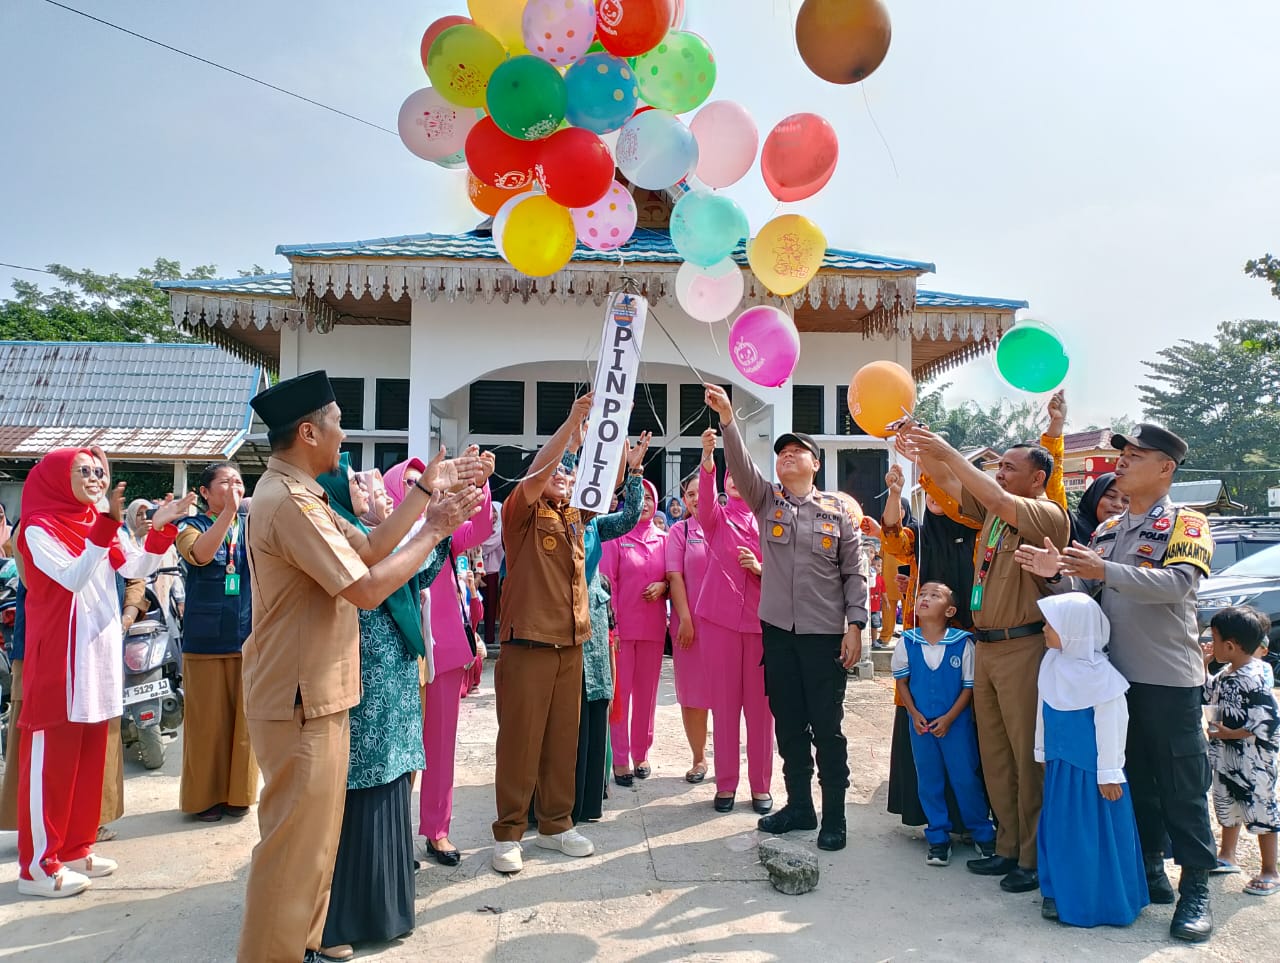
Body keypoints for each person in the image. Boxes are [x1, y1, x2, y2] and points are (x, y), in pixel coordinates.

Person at [236, 370, 483, 963]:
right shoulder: (288, 501)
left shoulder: (306, 493)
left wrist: (426, 499)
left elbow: (371, 546)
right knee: (292, 852)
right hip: (299, 697)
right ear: (306, 431)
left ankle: (306, 943)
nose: (344, 436)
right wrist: (438, 532)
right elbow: (368, 587)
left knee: (317, 848)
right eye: (338, 422)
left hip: (319, 692)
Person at [1015, 423, 1218, 942]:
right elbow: (1085, 590)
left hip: (1166, 678)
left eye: (1135, 455)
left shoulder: (1185, 523)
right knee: (1128, 779)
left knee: (1182, 785)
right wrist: (1053, 574)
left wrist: (1103, 570)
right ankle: (1147, 869)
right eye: (1121, 455)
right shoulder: (1107, 531)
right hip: (1109, 679)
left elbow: (1175, 586)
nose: (1122, 463)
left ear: (1166, 468)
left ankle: (1196, 883)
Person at [14, 447, 195, 898]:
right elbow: (72, 577)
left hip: (97, 656)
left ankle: (76, 848)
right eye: (84, 471)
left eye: (98, 471)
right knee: (49, 764)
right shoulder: (39, 528)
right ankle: (37, 868)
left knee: (89, 758)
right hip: (59, 659)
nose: (95, 478)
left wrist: (160, 528)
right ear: (58, 477)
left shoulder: (93, 524)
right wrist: (106, 524)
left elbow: (136, 567)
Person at [900, 423, 1070, 894]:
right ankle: (1007, 847)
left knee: (1024, 756)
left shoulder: (1046, 514)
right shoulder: (993, 517)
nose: (1000, 473)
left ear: (1038, 479)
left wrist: (948, 450)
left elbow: (992, 496)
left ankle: (1032, 858)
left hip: (1023, 648)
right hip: (988, 647)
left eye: (1010, 468)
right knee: (995, 757)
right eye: (999, 467)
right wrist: (921, 448)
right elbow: (955, 484)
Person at [703, 384, 868, 852]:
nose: (787, 457)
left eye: (798, 452)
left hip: (823, 638)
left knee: (827, 729)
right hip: (777, 634)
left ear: (816, 463)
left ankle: (833, 814)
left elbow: (855, 574)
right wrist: (729, 420)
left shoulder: (838, 514)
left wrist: (855, 626)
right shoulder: (766, 501)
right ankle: (799, 806)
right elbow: (739, 466)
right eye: (782, 453)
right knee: (789, 725)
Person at [316, 453, 463, 958]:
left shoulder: (386, 541)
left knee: (391, 784)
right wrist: (431, 529)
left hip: (394, 684)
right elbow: (383, 579)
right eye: (365, 484)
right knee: (361, 792)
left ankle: (384, 911)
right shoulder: (342, 538)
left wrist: (438, 528)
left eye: (381, 487)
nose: (379, 490)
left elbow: (417, 575)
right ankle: (339, 920)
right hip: (364, 685)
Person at [491, 391, 599, 875]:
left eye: (568, 472)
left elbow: (601, 479)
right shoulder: (519, 514)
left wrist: (605, 434)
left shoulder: (572, 517)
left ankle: (556, 824)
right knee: (520, 740)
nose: (563, 475)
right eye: (558, 471)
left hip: (570, 643)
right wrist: (571, 421)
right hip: (528, 643)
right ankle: (509, 832)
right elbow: (538, 472)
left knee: (562, 740)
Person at [387, 450, 494, 868]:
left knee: (440, 746)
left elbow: (482, 527)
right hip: (399, 655)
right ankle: (393, 837)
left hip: (444, 651)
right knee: (397, 752)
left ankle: (437, 830)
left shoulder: (446, 535)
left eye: (432, 481)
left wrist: (480, 485)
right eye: (417, 483)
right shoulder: (383, 537)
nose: (430, 490)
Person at [1034, 593, 1148, 927]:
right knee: (1059, 831)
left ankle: (1099, 900)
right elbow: (1043, 711)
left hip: (1092, 776)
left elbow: (1113, 728)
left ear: (1074, 629)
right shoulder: (1051, 663)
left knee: (1092, 837)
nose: (1043, 628)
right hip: (1060, 768)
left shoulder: (1103, 678)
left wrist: (1109, 774)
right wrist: (1042, 751)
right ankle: (1056, 891)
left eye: (1050, 624)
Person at [559, 431, 650, 822]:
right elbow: (555, 475)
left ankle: (591, 791)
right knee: (565, 710)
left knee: (596, 703)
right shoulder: (555, 517)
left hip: (594, 625)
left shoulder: (595, 525)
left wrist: (633, 471)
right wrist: (572, 447)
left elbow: (631, 516)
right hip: (559, 618)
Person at [174, 462, 259, 823]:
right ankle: (203, 798)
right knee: (207, 724)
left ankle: (238, 793)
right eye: (225, 482)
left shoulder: (252, 526)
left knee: (245, 723)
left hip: (246, 636)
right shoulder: (191, 527)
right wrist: (226, 515)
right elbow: (202, 554)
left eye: (239, 481)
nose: (234, 487)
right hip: (205, 640)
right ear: (205, 492)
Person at [697, 428, 773, 815]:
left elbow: (786, 566)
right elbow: (705, 504)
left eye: (740, 474)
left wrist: (761, 569)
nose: (734, 480)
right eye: (729, 476)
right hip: (720, 623)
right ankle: (725, 785)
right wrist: (709, 462)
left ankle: (761, 787)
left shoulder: (769, 518)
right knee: (724, 708)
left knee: (761, 711)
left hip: (761, 624)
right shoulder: (716, 518)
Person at [891, 581, 995, 866]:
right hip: (921, 726)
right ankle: (938, 837)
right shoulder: (907, 641)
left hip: (956, 726)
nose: (924, 598)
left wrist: (950, 718)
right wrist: (913, 713)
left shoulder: (963, 642)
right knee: (929, 779)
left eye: (934, 595)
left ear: (949, 610)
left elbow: (968, 687)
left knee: (965, 777)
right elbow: (902, 683)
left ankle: (983, 834)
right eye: (922, 593)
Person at [1202, 606, 1280, 897]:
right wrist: (1203, 663)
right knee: (1228, 804)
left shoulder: (1256, 675)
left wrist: (1230, 733)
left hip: (1253, 760)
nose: (1211, 643)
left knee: (1260, 807)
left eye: (1215, 639)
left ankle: (1270, 869)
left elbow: (1267, 719)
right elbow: (1208, 695)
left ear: (1231, 646)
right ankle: (1228, 854)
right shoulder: (1226, 672)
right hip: (1226, 756)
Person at [601, 477, 669, 785]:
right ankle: (620, 757)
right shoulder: (616, 537)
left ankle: (641, 752)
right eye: (638, 498)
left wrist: (664, 586)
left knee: (647, 694)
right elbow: (608, 581)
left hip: (653, 627)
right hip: (622, 629)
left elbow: (676, 577)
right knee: (621, 694)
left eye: (650, 499)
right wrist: (611, 624)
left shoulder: (664, 540)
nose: (644, 504)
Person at [666, 473, 713, 785]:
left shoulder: (726, 527)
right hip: (690, 628)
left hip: (726, 628)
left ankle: (728, 759)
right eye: (691, 494)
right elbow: (675, 576)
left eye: (702, 492)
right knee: (693, 695)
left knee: (726, 696)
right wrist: (684, 618)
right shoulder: (679, 531)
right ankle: (699, 757)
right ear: (684, 501)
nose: (697, 498)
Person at [1070, 472, 1129, 546]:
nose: (1118, 505)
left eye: (1126, 500)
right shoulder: (1070, 526)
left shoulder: (1134, 536)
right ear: (1094, 497)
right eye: (1110, 496)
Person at [479, 501, 504, 646]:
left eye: (495, 512)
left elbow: (484, 546)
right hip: (478, 572)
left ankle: (489, 639)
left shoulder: (500, 531)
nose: (493, 515)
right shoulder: (485, 529)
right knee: (477, 605)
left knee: (490, 607)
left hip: (491, 573)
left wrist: (477, 543)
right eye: (491, 511)